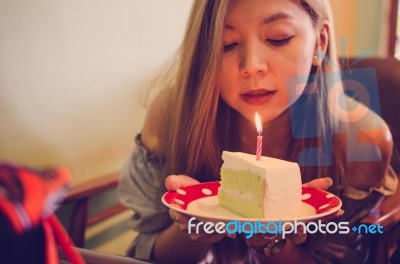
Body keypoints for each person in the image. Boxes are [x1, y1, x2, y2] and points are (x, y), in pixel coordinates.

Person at [118, 0, 398, 263]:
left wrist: (270, 241)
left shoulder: (362, 140)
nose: (251, 66)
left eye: (278, 38)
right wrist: (195, 222)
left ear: (319, 43)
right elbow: (148, 255)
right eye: (226, 44)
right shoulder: (171, 116)